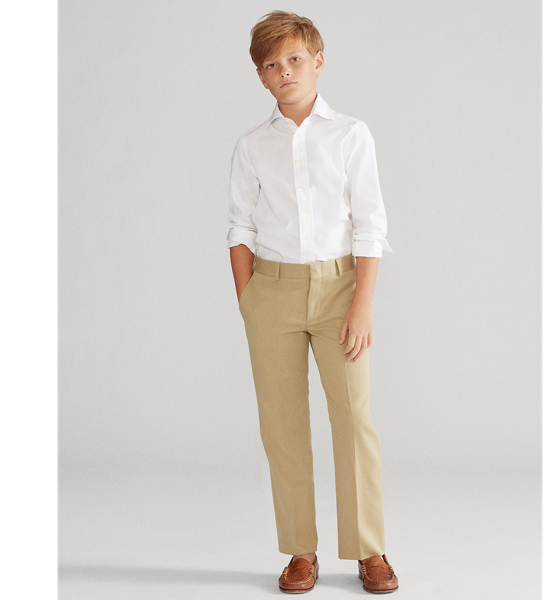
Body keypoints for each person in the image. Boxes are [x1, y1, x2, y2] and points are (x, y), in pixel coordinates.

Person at [226, 10, 398, 595]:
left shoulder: (350, 135)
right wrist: (249, 301)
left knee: (353, 418)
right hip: (271, 294)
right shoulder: (252, 145)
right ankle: (301, 550)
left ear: (318, 61)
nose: (285, 71)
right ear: (261, 76)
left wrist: (362, 305)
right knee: (281, 424)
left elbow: (370, 224)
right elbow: (240, 227)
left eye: (295, 59)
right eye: (271, 65)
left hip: (340, 290)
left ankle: (369, 549)